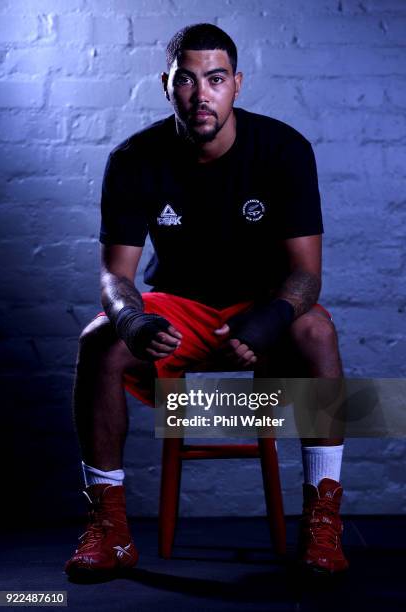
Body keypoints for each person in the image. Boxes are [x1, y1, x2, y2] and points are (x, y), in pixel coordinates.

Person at [65, 23, 348, 579]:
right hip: (180, 310)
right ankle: (109, 529)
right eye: (188, 80)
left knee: (318, 332)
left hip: (265, 307)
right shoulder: (134, 159)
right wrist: (130, 318)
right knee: (98, 337)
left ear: (236, 85)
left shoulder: (284, 149)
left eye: (215, 79)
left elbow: (307, 274)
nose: (202, 94)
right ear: (166, 85)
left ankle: (322, 523)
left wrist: (269, 319)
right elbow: (115, 275)